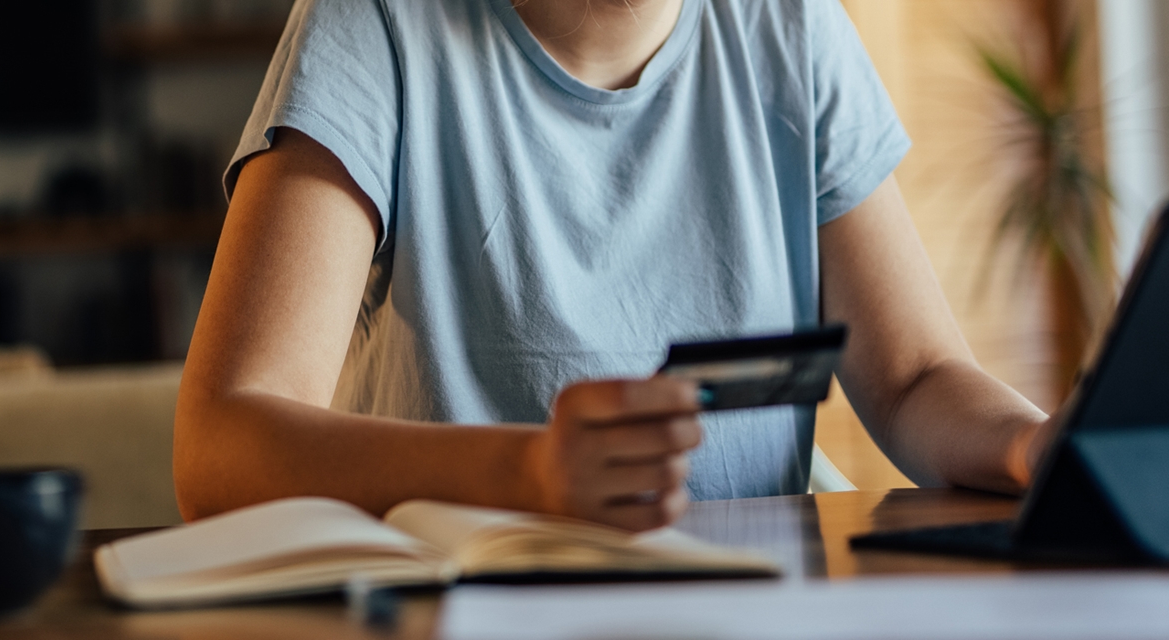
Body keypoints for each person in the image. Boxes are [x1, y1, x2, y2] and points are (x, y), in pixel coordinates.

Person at [174, 0, 1055, 532]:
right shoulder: (376, 22)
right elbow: (222, 446)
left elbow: (914, 376)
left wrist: (1032, 445)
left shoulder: (791, 25)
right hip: (468, 605)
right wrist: (531, 476)